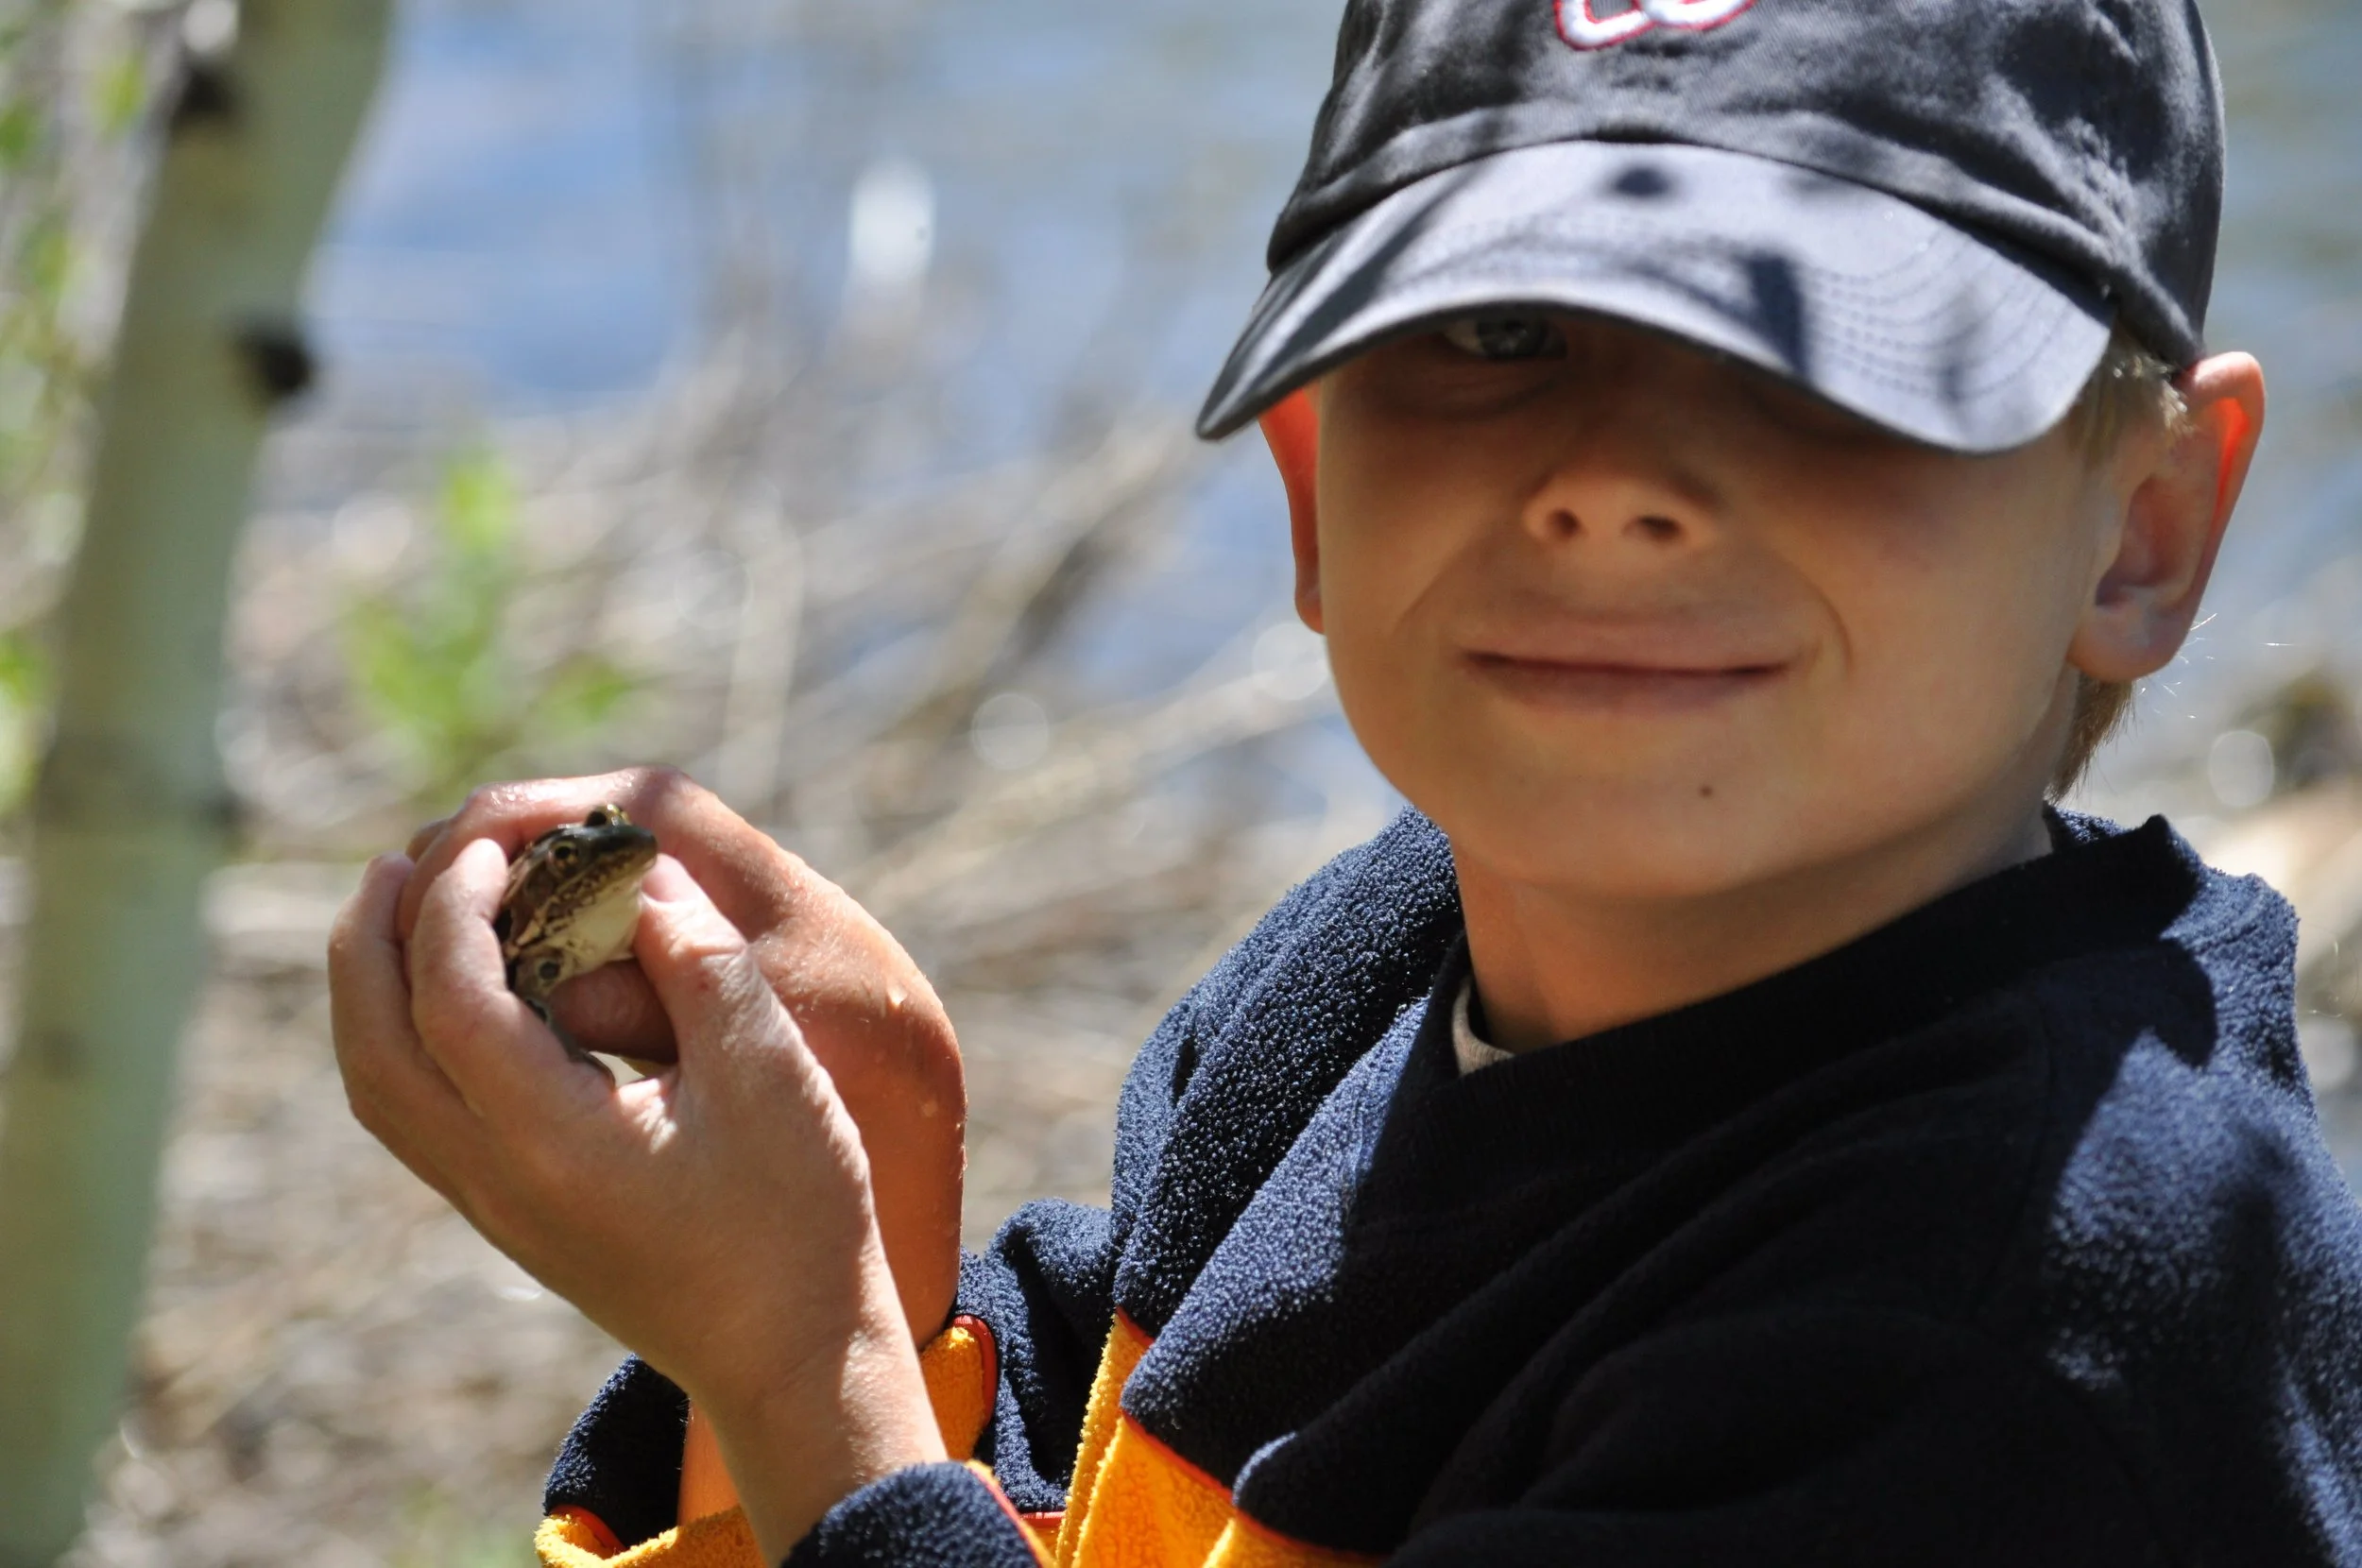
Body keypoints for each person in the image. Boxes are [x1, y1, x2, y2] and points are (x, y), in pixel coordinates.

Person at [328, 0, 2362, 1563]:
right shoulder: (1386, 950)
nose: (1610, 485)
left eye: (1818, 366)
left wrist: (800, 1363)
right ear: (1311, 492)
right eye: (1493, 331)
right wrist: (863, 1205)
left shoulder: (2020, 1324)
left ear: (2142, 530)